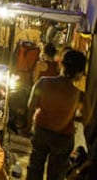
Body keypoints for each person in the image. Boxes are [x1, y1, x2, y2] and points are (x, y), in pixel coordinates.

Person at [24, 49, 91, 180]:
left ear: (61, 64)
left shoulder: (43, 82)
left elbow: (31, 105)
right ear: (80, 72)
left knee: (35, 167)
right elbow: (86, 118)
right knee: (56, 174)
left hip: (41, 132)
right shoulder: (80, 96)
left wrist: (27, 125)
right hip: (63, 137)